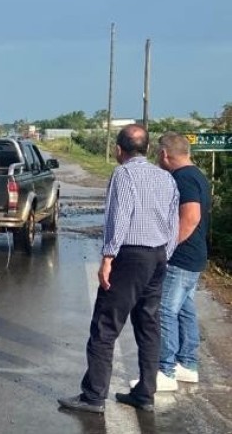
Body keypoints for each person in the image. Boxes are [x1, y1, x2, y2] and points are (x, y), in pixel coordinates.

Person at [58, 124, 179, 414]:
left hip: (131, 256)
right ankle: (145, 394)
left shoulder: (124, 175)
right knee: (149, 325)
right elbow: (174, 222)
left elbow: (120, 215)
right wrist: (165, 254)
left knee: (105, 325)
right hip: (158, 256)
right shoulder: (166, 178)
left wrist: (108, 257)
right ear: (148, 149)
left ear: (118, 150)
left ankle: (93, 396)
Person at [130, 132, 210, 391]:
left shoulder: (183, 178)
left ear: (165, 154)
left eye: (158, 155)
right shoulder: (197, 174)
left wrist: (167, 247)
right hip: (195, 255)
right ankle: (186, 363)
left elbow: (191, 217)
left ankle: (164, 370)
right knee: (184, 308)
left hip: (181, 256)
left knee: (164, 310)